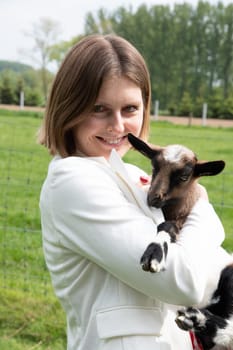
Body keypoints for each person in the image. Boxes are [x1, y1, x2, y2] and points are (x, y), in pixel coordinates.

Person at [38, 34, 228, 350]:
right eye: (99, 108)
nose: (118, 126)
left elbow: (209, 270)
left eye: (130, 108)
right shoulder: (72, 181)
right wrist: (201, 203)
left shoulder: (133, 175)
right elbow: (186, 281)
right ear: (69, 107)